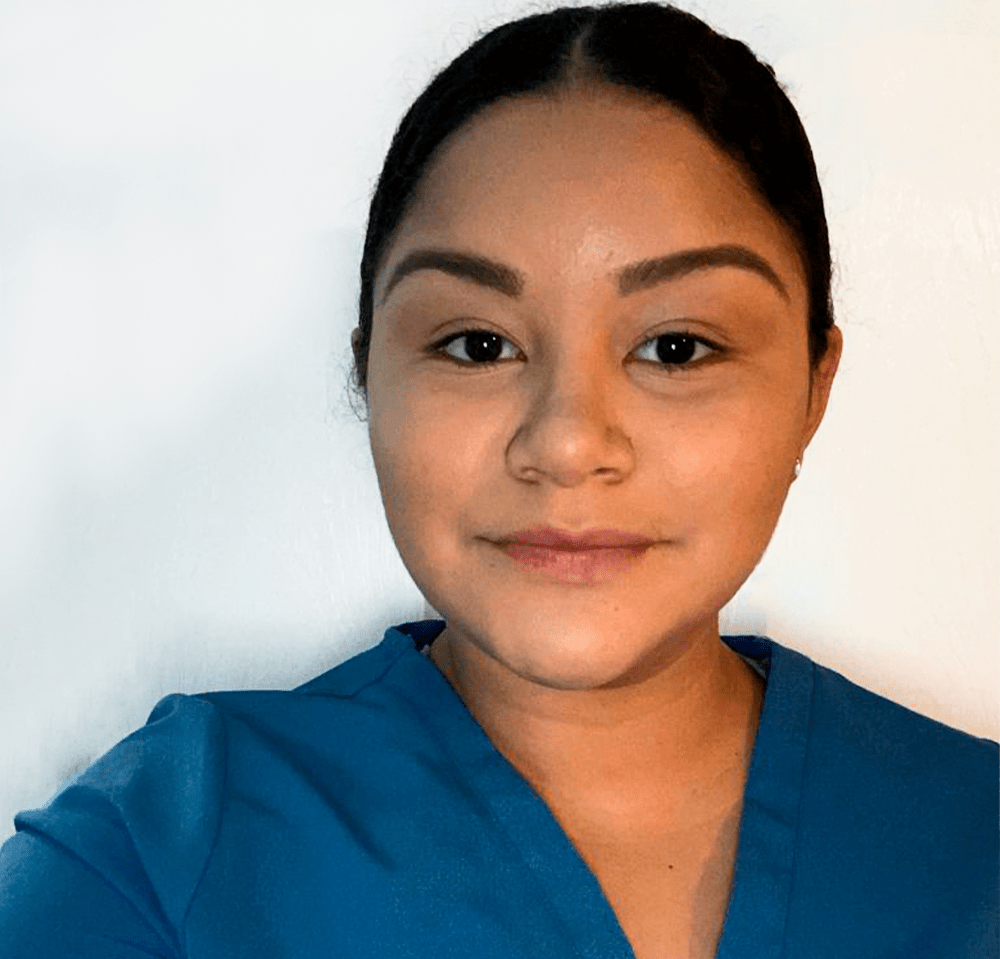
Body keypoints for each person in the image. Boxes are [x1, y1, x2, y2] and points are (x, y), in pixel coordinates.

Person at [1, 3, 996, 957]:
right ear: (368, 372)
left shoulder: (975, 843)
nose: (566, 442)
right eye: (478, 344)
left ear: (814, 388)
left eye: (676, 347)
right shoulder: (159, 852)